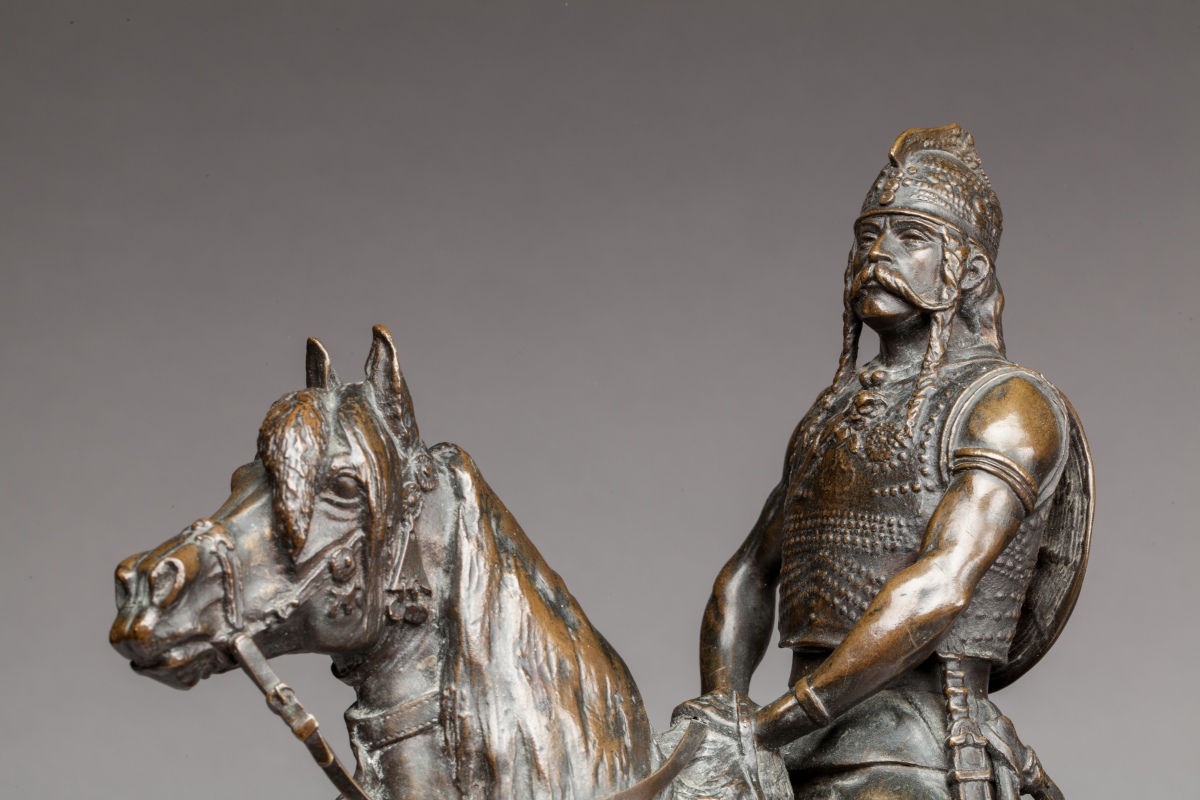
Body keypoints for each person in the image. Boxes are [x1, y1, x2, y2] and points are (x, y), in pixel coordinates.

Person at [674, 125, 1091, 800]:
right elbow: (750, 572)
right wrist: (723, 713)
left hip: (920, 750)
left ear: (971, 271)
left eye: (910, 236)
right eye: (868, 236)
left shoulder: (1010, 405)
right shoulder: (832, 415)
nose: (877, 254)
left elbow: (940, 585)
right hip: (791, 747)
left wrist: (773, 724)